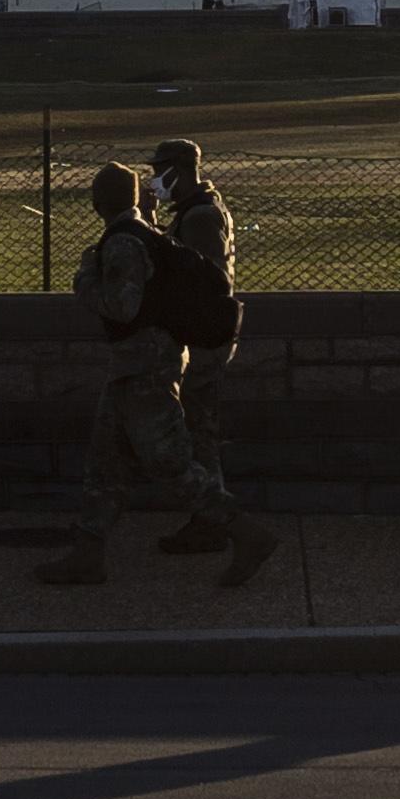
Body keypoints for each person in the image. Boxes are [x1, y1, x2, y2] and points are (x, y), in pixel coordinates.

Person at [38, 160, 278, 589]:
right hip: (138, 366)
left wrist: (85, 278)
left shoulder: (123, 243)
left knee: (170, 464)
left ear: (97, 203)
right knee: (105, 464)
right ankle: (87, 553)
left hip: (144, 368)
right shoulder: (143, 232)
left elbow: (123, 307)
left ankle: (244, 531)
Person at [150, 137, 242, 556]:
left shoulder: (201, 216)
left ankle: (213, 521)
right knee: (199, 429)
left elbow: (201, 280)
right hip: (203, 337)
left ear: (180, 169)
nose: (155, 179)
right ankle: (210, 518)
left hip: (202, 341)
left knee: (199, 433)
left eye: (160, 170)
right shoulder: (195, 212)